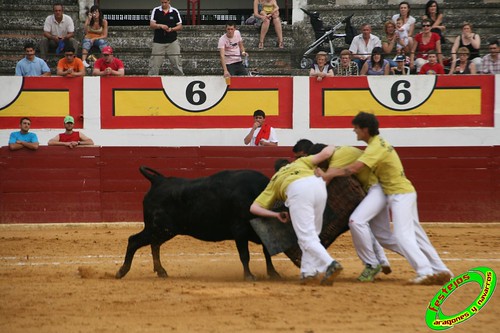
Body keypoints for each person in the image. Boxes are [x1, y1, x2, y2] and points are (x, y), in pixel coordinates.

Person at [317, 112, 453, 285]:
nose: (354, 131)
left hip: (399, 194)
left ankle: (425, 271)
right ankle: (441, 269)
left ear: (365, 129)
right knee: (410, 236)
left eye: (356, 128)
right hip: (399, 192)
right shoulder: (377, 144)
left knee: (403, 235)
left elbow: (354, 169)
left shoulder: (376, 147)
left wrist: (327, 174)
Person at [250, 145, 343, 285]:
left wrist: (275, 215)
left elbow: (254, 208)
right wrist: (334, 146)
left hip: (298, 191)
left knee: (306, 237)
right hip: (318, 186)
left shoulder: (275, 180)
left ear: (276, 171)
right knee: (312, 235)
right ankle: (308, 273)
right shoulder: (301, 162)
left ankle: (330, 264)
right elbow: (326, 153)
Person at [312, 143, 400, 282]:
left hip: (377, 187)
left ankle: (371, 264)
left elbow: (325, 181)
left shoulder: (338, 157)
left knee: (356, 221)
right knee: (383, 236)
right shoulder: (341, 151)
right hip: (378, 188)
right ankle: (421, 257)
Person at [148, 0, 184, 76]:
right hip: (158, 41)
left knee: (177, 62)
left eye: (165, 2)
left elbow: (180, 26)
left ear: (169, 1)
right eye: (162, 2)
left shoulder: (174, 11)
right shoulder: (156, 10)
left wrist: (172, 29)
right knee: (154, 63)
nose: (163, 4)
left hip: (172, 41)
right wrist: (160, 26)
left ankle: (180, 78)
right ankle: (151, 80)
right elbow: (152, 24)